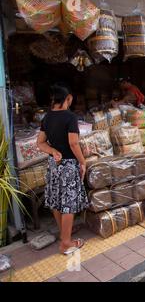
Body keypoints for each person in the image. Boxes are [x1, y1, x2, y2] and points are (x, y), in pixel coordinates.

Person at [37, 84, 88, 255]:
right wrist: (82, 162)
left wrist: (53, 151)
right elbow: (73, 143)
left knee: (56, 199)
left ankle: (63, 236)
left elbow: (40, 143)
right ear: (68, 99)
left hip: (54, 164)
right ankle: (66, 243)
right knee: (69, 203)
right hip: (68, 165)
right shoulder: (70, 117)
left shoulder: (46, 118)